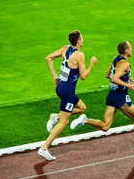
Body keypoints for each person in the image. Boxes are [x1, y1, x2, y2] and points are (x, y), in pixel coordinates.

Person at [72, 41, 134, 153]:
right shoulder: (125, 64)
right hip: (120, 97)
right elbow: (115, 79)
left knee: (106, 126)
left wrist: (126, 78)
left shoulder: (115, 59)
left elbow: (108, 75)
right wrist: (130, 85)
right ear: (126, 51)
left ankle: (85, 120)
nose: (131, 49)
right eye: (130, 47)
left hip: (112, 95)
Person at [38, 30, 97, 161]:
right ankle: (44, 147)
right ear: (78, 41)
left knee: (82, 108)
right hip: (68, 91)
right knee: (64, 122)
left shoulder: (65, 48)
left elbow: (48, 58)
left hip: (60, 87)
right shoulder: (80, 55)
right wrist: (92, 64)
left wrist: (54, 76)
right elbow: (83, 77)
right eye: (82, 37)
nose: (83, 39)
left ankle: (55, 116)